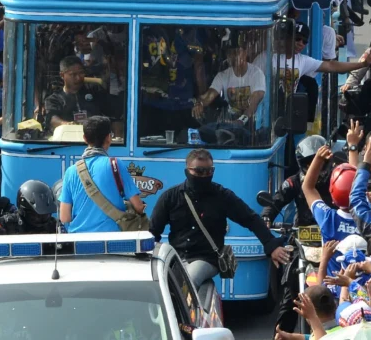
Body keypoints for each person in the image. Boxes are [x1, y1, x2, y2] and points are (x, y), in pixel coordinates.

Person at [149, 149, 288, 290]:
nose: (204, 175)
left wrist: (272, 245)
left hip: (206, 258)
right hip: (176, 257)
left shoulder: (222, 196)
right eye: (199, 171)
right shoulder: (170, 197)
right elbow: (153, 232)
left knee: (188, 282)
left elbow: (251, 219)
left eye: (209, 171)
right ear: (187, 171)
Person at [59, 116, 146, 233]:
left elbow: (65, 217)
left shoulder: (71, 171)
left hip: (78, 242)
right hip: (111, 239)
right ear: (109, 138)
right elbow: (139, 206)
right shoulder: (115, 165)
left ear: (84, 138)